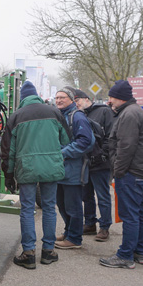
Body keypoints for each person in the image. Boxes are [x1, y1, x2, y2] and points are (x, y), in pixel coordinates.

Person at [1, 81, 70, 269]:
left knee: (27, 209)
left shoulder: (16, 117)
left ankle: (29, 253)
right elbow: (66, 139)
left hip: (27, 168)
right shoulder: (54, 112)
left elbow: (8, 150)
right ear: (37, 95)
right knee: (49, 207)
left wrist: (8, 175)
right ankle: (48, 251)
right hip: (51, 167)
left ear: (23, 99)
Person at [99, 80, 143, 269]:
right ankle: (140, 252)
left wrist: (118, 171)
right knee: (141, 213)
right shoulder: (134, 112)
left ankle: (125, 255)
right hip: (142, 171)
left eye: (111, 97)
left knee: (130, 214)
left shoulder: (129, 114)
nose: (109, 101)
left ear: (118, 97)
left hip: (132, 173)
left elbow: (126, 146)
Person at [53, 87, 94, 250]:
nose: (58, 100)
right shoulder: (60, 116)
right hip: (61, 169)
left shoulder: (77, 117)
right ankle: (69, 232)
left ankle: (75, 238)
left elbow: (86, 142)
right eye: (56, 98)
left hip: (74, 169)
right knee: (62, 204)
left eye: (62, 97)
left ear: (72, 100)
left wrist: (63, 152)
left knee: (73, 205)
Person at [74, 88, 114, 241]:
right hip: (85, 161)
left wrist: (103, 154)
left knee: (102, 195)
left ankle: (104, 227)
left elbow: (111, 135)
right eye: (75, 102)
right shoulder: (79, 114)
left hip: (100, 162)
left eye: (78, 101)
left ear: (85, 99)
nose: (77, 104)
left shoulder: (104, 111)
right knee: (86, 195)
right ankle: (90, 223)